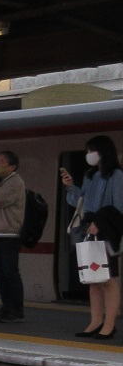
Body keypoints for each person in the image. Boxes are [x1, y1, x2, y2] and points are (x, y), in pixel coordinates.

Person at [62, 134, 123, 339]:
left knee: (107, 278)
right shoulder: (90, 175)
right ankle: (96, 320)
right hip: (90, 230)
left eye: (91, 151)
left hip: (106, 232)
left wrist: (101, 223)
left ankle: (109, 323)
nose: (88, 155)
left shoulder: (116, 176)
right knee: (93, 279)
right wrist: (71, 187)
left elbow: (118, 206)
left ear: (103, 151)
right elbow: (81, 202)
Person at [0, 149, 26, 324]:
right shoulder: (1, 182)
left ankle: (16, 310)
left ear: (12, 166)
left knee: (10, 273)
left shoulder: (15, 182)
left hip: (10, 234)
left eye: (1, 162)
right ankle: (7, 306)